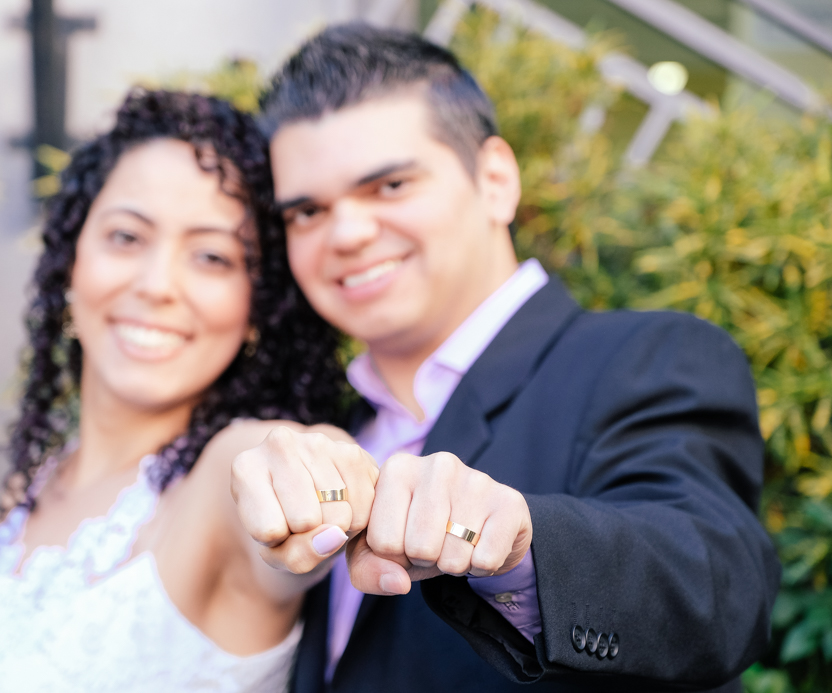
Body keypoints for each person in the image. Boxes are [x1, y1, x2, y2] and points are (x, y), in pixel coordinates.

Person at [230, 24, 781, 692]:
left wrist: (519, 544)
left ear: (495, 179)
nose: (345, 233)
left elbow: (716, 588)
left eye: (391, 185)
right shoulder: (323, 436)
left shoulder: (648, 356)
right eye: (307, 211)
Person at [0, 89, 379, 693]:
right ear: (72, 259)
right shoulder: (41, 481)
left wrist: (322, 477)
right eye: (127, 237)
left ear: (258, 305)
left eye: (211, 256)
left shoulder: (220, 481)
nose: (157, 285)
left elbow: (284, 466)